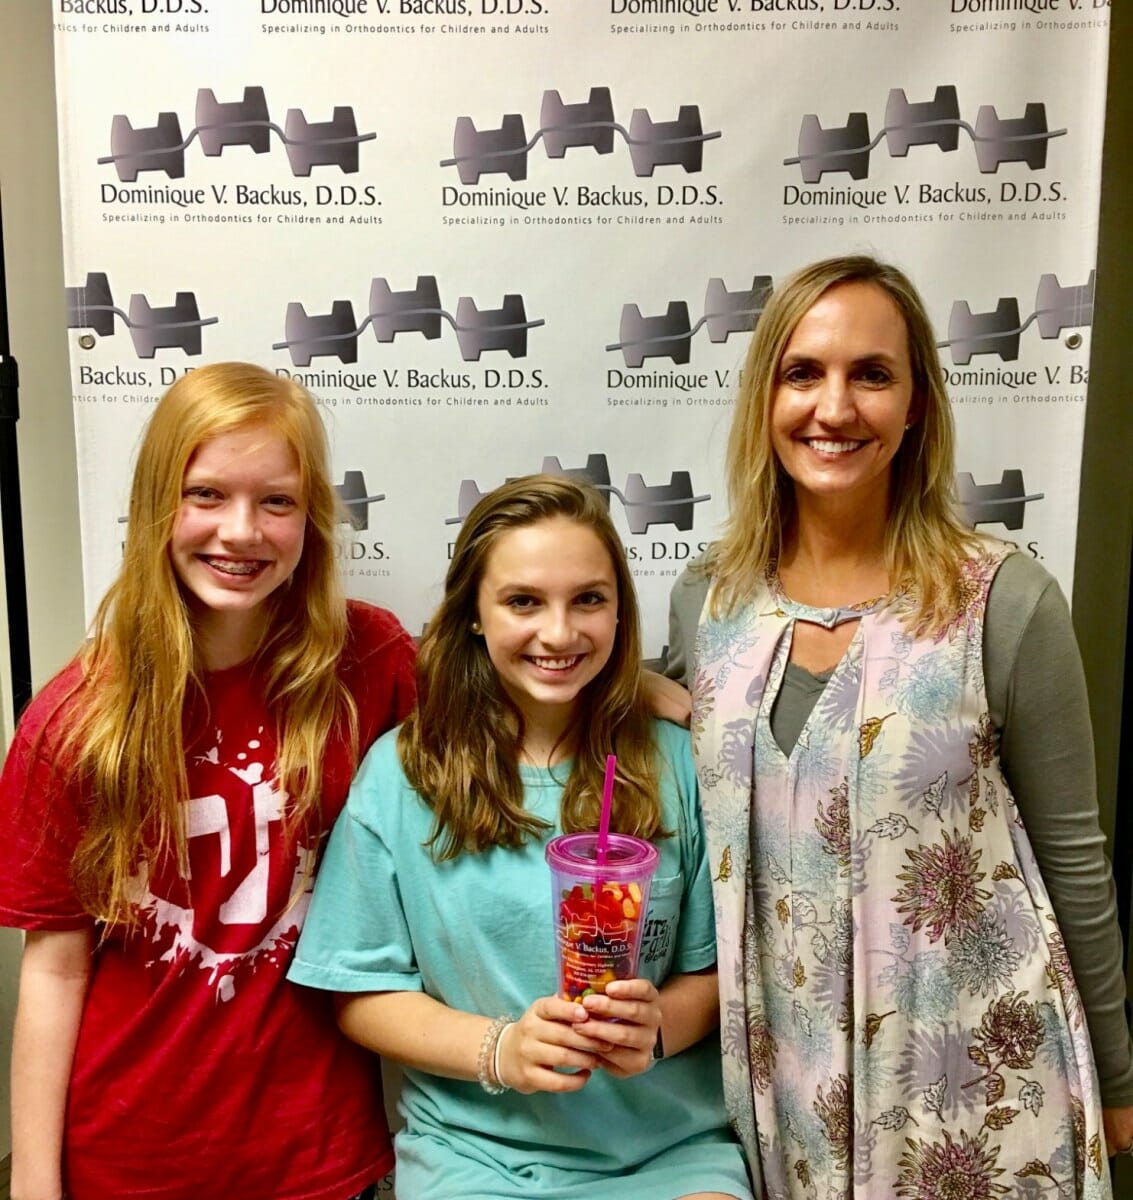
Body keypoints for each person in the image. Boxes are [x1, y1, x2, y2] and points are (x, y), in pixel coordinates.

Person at [664, 255, 1133, 1198]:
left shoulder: (1001, 599)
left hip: (974, 1079)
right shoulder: (708, 600)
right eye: (803, 373)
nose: (832, 408)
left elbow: (1074, 857)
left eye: (870, 375)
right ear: (765, 397)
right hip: (786, 1079)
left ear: (915, 403)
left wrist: (1118, 1083)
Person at [0, 363, 417, 1200]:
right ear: (160, 504)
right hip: (129, 1158)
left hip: (316, 1155)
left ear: (312, 520)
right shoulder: (73, 724)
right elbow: (53, 971)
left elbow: (503, 734)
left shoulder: (370, 663)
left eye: (277, 502)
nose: (241, 532)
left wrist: (641, 688)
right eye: (206, 495)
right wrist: (35, 1187)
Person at [289, 476, 754, 1200]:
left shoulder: (676, 764)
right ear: (474, 613)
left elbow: (715, 973)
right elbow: (362, 992)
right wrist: (499, 1050)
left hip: (668, 1153)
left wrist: (655, 1029)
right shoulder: (402, 776)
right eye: (522, 602)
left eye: (588, 600)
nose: (560, 633)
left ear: (620, 612)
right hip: (475, 1158)